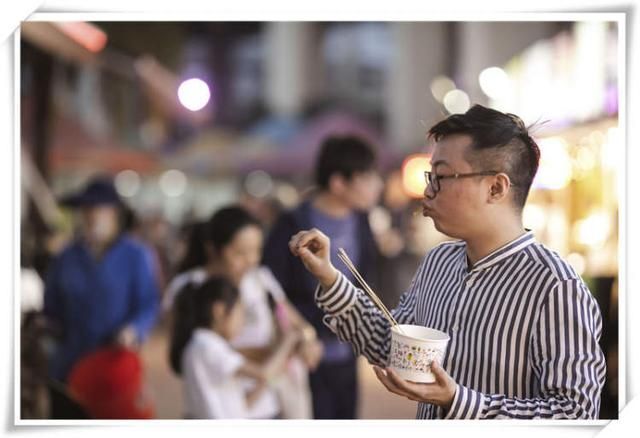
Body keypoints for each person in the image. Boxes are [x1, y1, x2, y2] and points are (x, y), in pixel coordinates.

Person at [288, 105, 607, 419]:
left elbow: (575, 414)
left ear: (495, 187)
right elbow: (394, 343)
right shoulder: (440, 261)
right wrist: (329, 276)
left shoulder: (554, 286)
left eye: (441, 176)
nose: (427, 191)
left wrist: (458, 400)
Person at [263, 135, 383, 419]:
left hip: (348, 351)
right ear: (338, 182)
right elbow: (269, 291)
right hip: (303, 355)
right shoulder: (291, 225)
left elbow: (366, 280)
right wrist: (299, 334)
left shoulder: (362, 222)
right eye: (368, 177)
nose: (377, 185)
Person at [164, 206, 322, 419]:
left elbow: (297, 324)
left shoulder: (261, 280)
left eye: (256, 251)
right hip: (215, 409)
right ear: (213, 249)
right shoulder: (191, 288)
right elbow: (185, 355)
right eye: (239, 252)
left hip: (265, 406)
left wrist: (305, 340)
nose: (251, 260)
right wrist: (274, 351)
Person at [43, 177, 159, 397]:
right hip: (70, 364)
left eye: (97, 209)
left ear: (114, 213)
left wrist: (133, 329)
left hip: (115, 364)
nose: (91, 216)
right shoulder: (66, 257)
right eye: (85, 210)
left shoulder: (135, 255)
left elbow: (148, 303)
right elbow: (51, 306)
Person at [169, 276, 300, 419]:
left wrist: (271, 374)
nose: (242, 323)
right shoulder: (206, 344)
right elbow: (264, 373)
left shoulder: (206, 344)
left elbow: (241, 405)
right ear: (218, 311)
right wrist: (288, 341)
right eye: (240, 314)